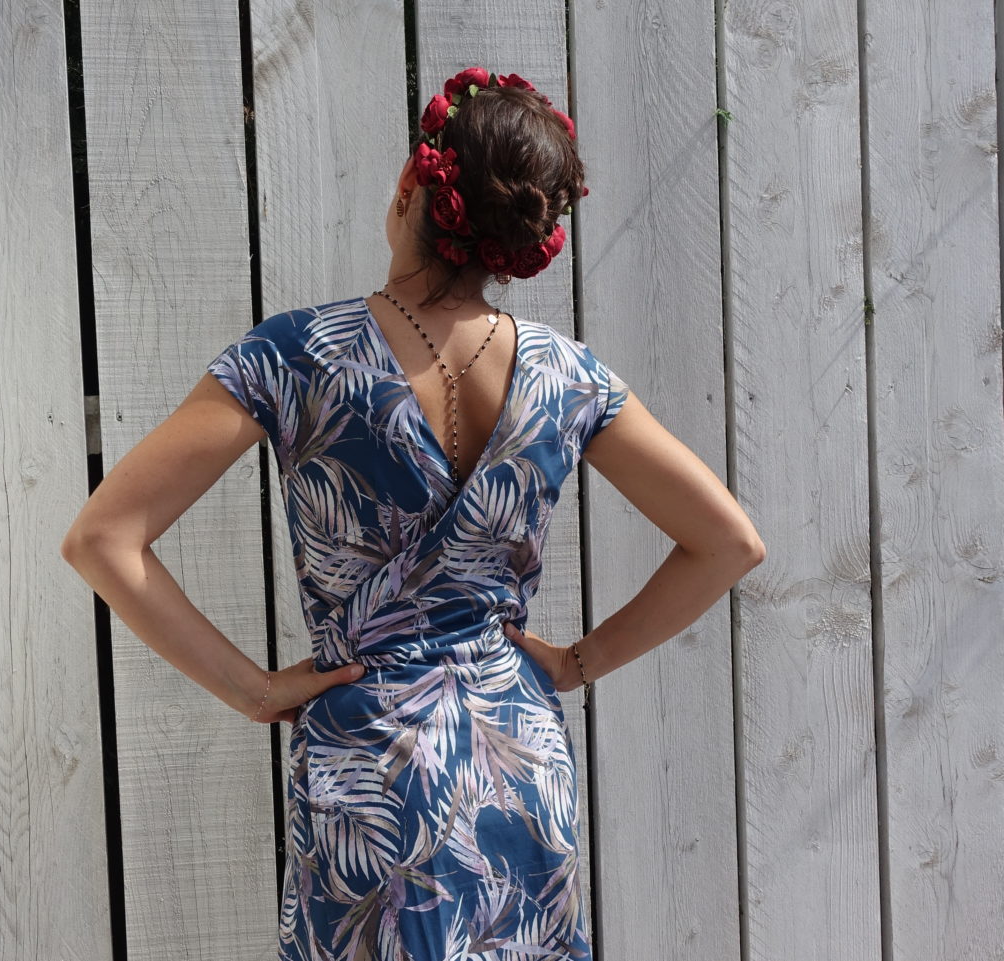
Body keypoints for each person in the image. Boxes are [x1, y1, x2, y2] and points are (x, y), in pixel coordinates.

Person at [62, 67, 765, 960]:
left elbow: (103, 537)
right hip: (516, 765)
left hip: (372, 772)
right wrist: (574, 663)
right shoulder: (569, 377)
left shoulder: (299, 355)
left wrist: (256, 690)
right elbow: (728, 542)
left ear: (411, 186)